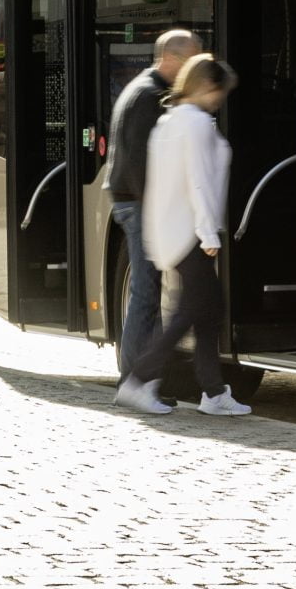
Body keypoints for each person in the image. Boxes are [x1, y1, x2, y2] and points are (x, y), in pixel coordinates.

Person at [117, 53, 250, 418]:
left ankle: (212, 391)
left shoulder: (171, 122)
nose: (221, 99)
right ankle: (140, 381)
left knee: (205, 312)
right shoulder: (195, 125)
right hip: (192, 232)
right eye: (220, 91)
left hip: (174, 231)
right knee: (194, 312)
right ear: (207, 86)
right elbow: (199, 182)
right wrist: (209, 234)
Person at [107, 29, 201, 379]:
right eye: (190, 60)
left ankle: (146, 377)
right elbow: (139, 163)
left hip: (132, 202)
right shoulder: (149, 96)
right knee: (146, 293)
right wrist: (157, 212)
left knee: (147, 291)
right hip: (138, 206)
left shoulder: (143, 89)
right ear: (172, 59)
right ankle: (134, 378)